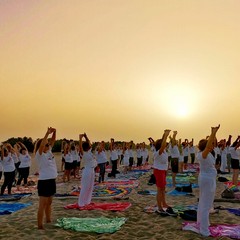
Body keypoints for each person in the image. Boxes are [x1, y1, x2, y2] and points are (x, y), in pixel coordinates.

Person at [197, 124, 220, 237]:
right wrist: (212, 133)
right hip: (207, 181)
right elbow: (208, 147)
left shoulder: (207, 153)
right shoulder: (202, 155)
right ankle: (204, 230)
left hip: (207, 179)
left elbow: (211, 144)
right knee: (206, 205)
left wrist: (214, 134)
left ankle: (203, 223)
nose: (211, 146)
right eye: (209, 145)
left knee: (204, 203)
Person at [34, 127, 57, 230]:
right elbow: (43, 143)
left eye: (48, 144)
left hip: (52, 180)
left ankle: (48, 219)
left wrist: (54, 132)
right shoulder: (39, 155)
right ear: (41, 147)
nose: (48, 145)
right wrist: (47, 133)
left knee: (49, 202)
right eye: (46, 145)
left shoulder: (49, 152)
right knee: (42, 205)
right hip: (44, 182)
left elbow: (53, 141)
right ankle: (40, 225)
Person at [153, 129, 176, 216]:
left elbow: (162, 145)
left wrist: (164, 135)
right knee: (160, 189)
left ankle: (164, 203)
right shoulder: (158, 153)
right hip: (158, 171)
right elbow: (162, 146)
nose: (165, 145)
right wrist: (166, 135)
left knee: (163, 189)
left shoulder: (164, 151)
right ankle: (159, 207)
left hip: (163, 171)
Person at [78, 133, 97, 207]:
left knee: (90, 187)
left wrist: (86, 136)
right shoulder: (84, 153)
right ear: (87, 148)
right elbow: (80, 147)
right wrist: (80, 138)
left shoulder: (89, 152)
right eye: (89, 146)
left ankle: (87, 202)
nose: (90, 146)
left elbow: (88, 142)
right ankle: (81, 203)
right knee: (85, 187)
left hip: (92, 171)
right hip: (87, 171)